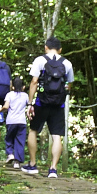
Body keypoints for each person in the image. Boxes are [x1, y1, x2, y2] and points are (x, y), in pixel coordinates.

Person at [24, 37, 73, 178]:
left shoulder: (40, 61)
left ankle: (32, 165)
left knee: (33, 130)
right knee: (57, 135)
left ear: (46, 47)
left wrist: (30, 103)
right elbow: (69, 84)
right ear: (60, 49)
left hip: (41, 102)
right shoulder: (67, 63)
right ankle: (53, 169)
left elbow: (34, 81)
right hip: (58, 104)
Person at [0, 77, 29, 169]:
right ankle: (17, 162)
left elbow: (6, 106)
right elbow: (29, 105)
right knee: (20, 141)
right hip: (22, 121)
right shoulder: (25, 96)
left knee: (9, 138)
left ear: (12, 87)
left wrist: (0, 110)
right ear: (23, 87)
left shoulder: (9, 95)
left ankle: (10, 154)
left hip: (11, 121)